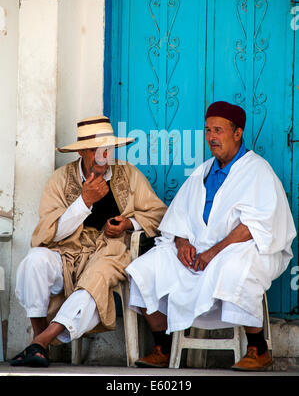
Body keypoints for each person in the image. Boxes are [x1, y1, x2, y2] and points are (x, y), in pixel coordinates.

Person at [126, 101, 297, 371]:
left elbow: (253, 227)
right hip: (200, 251)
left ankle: (258, 349)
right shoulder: (202, 171)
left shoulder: (258, 171)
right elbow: (177, 218)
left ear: (237, 133)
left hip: (241, 248)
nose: (211, 137)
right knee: (145, 268)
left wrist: (212, 253)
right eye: (208, 131)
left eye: (218, 130)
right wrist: (182, 244)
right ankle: (163, 344)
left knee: (235, 268)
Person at [11, 115, 167, 367]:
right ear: (82, 151)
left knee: (94, 280)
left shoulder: (128, 174)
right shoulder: (60, 179)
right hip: (68, 252)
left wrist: (129, 223)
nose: (102, 156)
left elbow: (158, 213)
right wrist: (84, 202)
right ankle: (39, 341)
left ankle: (39, 344)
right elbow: (47, 235)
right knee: (35, 260)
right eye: (95, 150)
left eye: (107, 150)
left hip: (111, 252)